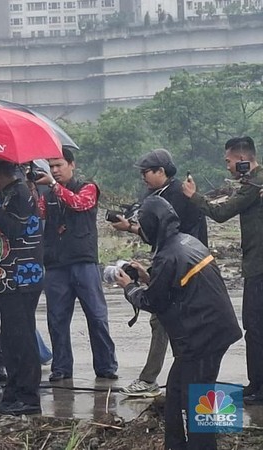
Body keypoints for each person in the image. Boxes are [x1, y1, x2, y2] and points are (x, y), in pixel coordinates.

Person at [116, 196, 241, 450]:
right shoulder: (186, 241)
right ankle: (177, 444)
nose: (142, 230)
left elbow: (154, 301)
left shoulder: (168, 255)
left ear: (153, 225)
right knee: (175, 392)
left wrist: (129, 287)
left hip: (203, 337)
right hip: (211, 332)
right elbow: (172, 287)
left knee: (198, 402)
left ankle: (202, 446)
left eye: (143, 225)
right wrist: (148, 276)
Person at [111, 148, 208, 398]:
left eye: (146, 172)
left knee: (163, 318)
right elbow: (157, 235)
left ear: (161, 171)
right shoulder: (156, 195)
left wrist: (132, 286)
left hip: (186, 267)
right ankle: (183, 389)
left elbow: (169, 234)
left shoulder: (178, 195)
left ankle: (152, 380)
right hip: (183, 265)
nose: (143, 177)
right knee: (172, 325)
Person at [183, 136, 263, 404]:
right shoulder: (254, 183)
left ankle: (259, 387)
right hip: (255, 263)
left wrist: (194, 197)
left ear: (242, 161)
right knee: (255, 328)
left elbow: (222, 212)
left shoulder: (255, 185)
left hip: (259, 266)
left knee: (255, 327)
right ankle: (256, 384)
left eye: (229, 162)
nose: (227, 167)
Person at [36, 147, 118, 381]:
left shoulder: (87, 187)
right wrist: (32, 187)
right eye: (51, 166)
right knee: (57, 319)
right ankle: (61, 367)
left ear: (72, 165)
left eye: (59, 165)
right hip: (55, 264)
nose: (54, 170)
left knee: (97, 316)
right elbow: (37, 213)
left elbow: (80, 203)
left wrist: (53, 185)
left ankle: (106, 366)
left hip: (83, 261)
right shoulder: (47, 195)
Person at [0, 159, 44, 416]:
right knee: (10, 338)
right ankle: (13, 393)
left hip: (22, 277)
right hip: (8, 277)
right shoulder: (9, 193)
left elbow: (15, 229)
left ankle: (28, 396)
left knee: (22, 337)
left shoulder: (21, 193)